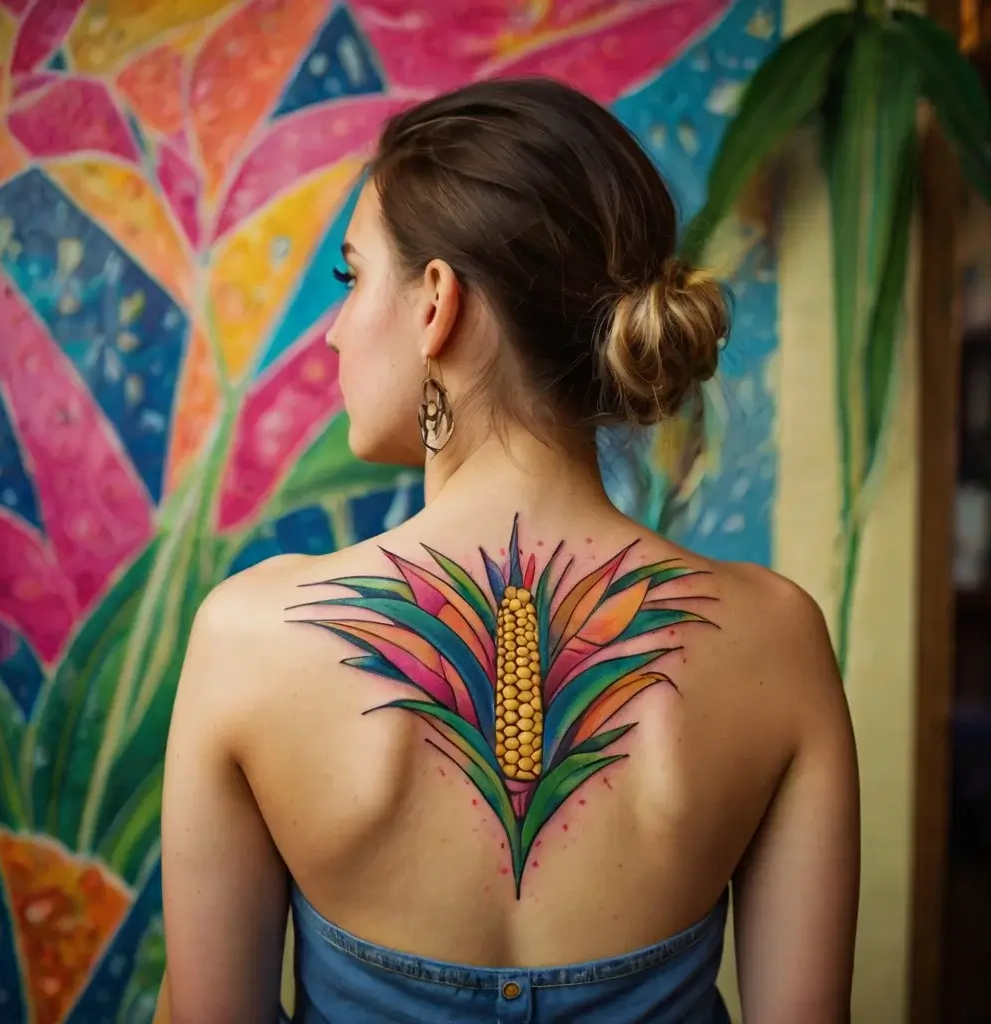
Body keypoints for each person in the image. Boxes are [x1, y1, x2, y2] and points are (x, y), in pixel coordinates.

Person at [158, 77, 860, 1024]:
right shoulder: (776, 639)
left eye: (352, 277)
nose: (332, 332)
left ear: (436, 302)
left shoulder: (252, 640)